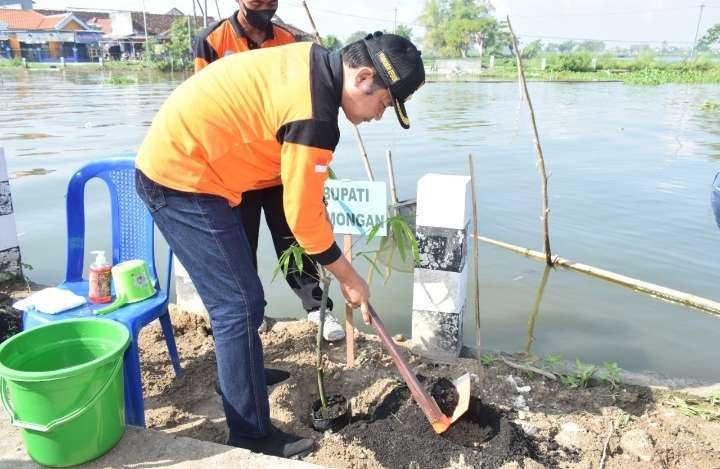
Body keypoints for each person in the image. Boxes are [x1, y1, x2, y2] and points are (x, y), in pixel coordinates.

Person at [135, 32, 424, 458]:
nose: (378, 116)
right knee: (238, 303)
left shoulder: (313, 61)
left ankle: (240, 373)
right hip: (182, 178)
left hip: (199, 164)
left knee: (240, 296)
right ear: (363, 77)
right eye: (383, 104)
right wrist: (350, 278)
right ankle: (250, 434)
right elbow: (304, 224)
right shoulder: (317, 117)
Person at [194, 0, 346, 342]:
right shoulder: (212, 41)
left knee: (295, 239)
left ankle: (317, 309)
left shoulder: (289, 40)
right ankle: (254, 313)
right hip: (236, 169)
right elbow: (204, 101)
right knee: (241, 245)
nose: (265, 4)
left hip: (281, 165)